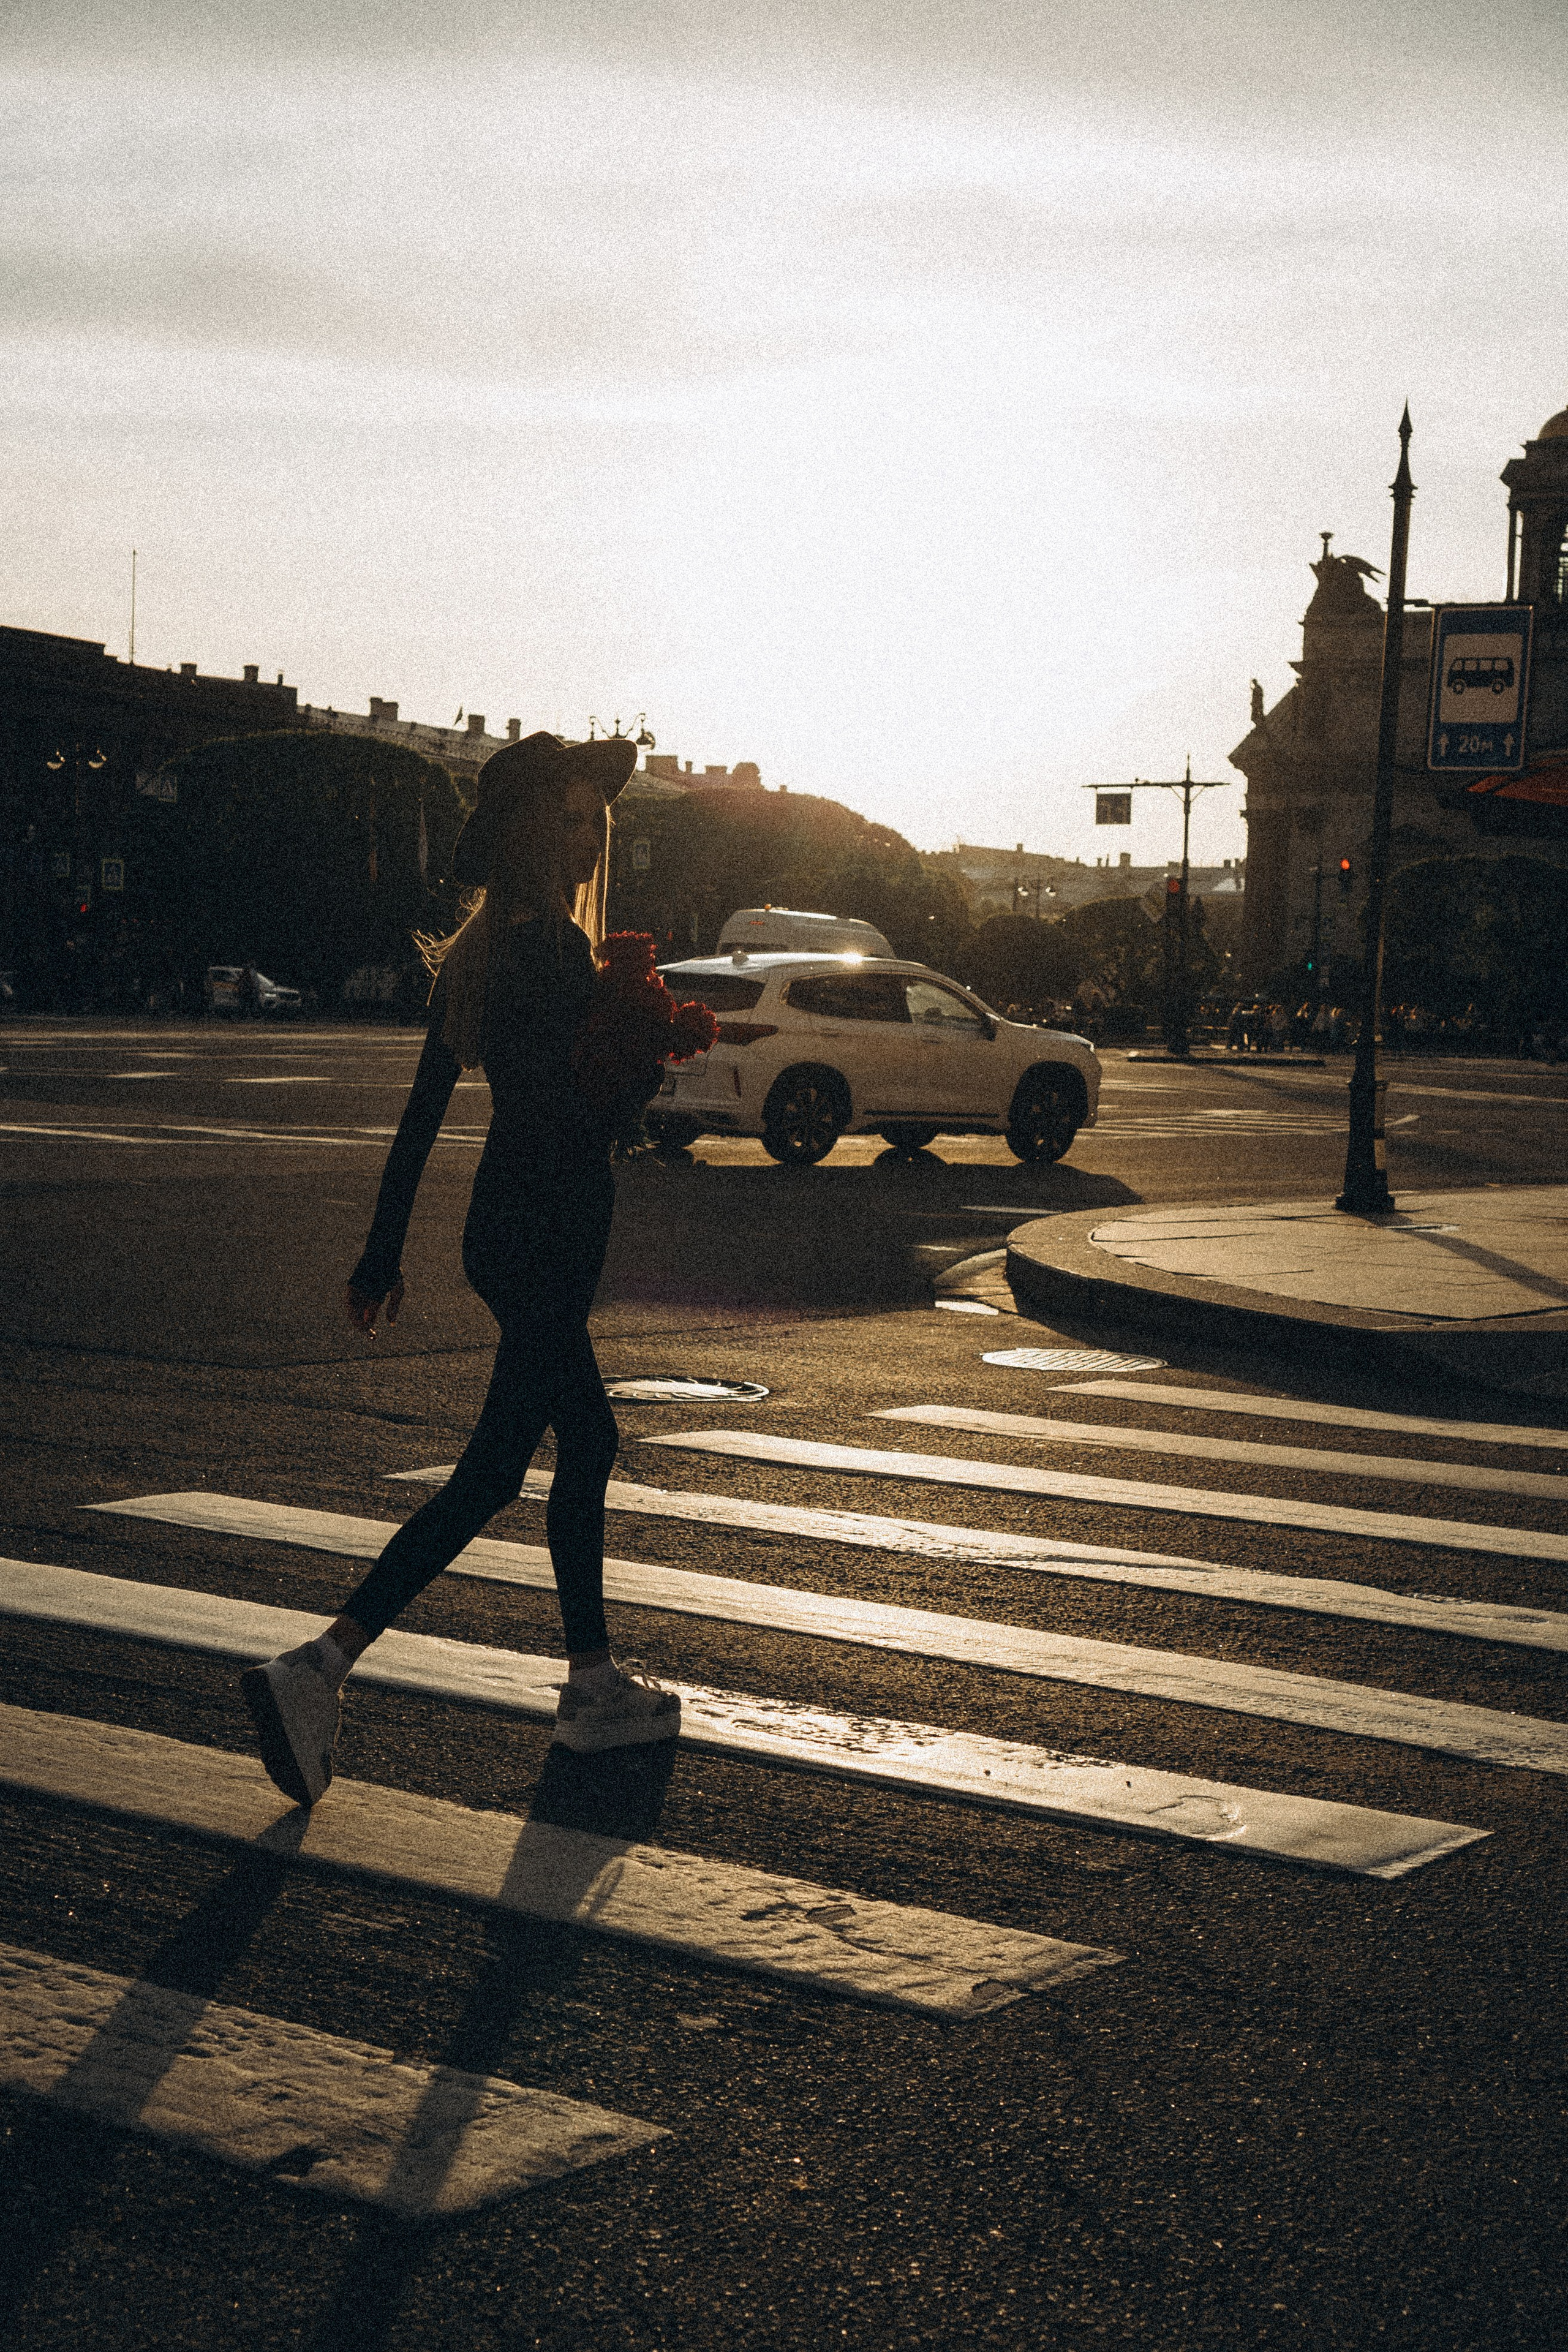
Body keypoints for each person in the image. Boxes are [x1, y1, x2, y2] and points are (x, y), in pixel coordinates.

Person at [240, 731, 679, 1807]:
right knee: (553, 1451)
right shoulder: (553, 951)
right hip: (549, 1225)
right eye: (568, 821)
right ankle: (328, 1668)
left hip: (505, 1226)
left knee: (523, 1459)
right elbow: (579, 1108)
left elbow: (422, 1116)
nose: (586, 840)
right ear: (530, 833)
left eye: (594, 821)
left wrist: (382, 1249)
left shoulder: (486, 952)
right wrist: (641, 1065)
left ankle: (571, 1681)